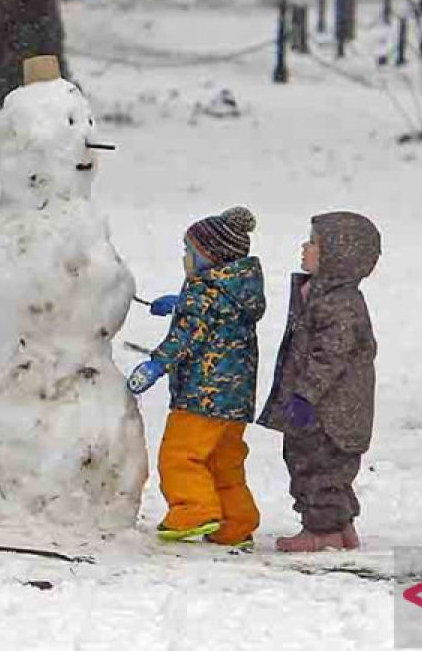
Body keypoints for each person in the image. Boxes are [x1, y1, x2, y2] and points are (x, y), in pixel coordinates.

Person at [127, 207, 266, 547]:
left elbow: (187, 337)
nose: (185, 258)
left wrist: (155, 366)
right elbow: (217, 316)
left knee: (180, 456)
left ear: (210, 256)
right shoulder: (236, 289)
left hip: (202, 396)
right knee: (224, 462)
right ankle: (236, 522)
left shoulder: (204, 294)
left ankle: (193, 511)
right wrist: (180, 302)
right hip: (235, 400)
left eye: (189, 251)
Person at [258, 212, 381, 552]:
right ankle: (340, 528)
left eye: (313, 243)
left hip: (330, 413)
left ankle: (323, 531)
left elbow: (329, 358)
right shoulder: (323, 295)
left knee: (317, 467)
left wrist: (305, 396)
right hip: (328, 408)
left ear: (337, 256)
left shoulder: (339, 304)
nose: (305, 247)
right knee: (323, 467)